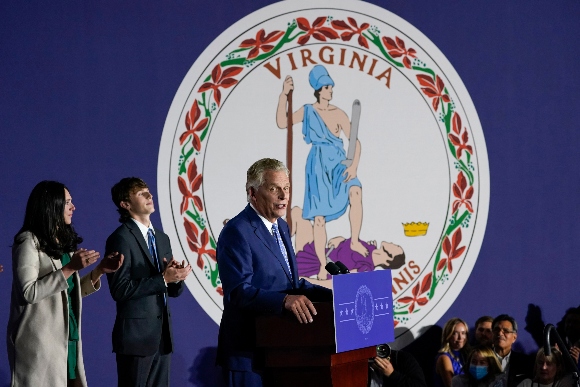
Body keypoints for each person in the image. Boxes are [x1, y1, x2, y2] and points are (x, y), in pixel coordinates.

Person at [216, 158, 333, 386]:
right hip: (247, 353)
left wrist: (336, 297)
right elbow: (238, 291)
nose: (283, 196)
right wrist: (284, 301)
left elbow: (291, 284)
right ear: (253, 193)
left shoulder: (281, 226)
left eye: (286, 188)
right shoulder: (236, 231)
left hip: (281, 350)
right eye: (274, 189)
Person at [7, 180, 123, 386]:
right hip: (40, 347)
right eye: (67, 202)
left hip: (67, 342)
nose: (73, 207)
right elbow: (28, 292)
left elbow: (66, 291)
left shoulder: (63, 244)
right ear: (52, 206)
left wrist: (99, 271)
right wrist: (70, 268)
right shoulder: (28, 242)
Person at [276, 64, 367, 282]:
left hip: (339, 163)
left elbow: (355, 142)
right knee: (319, 219)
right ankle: (324, 265)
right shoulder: (308, 111)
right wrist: (283, 95)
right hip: (317, 166)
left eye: (331, 86)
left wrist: (353, 166)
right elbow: (282, 122)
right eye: (326, 87)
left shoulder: (338, 113)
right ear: (318, 89)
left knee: (355, 191)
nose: (330, 90)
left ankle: (355, 240)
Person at [106, 177, 192, 387]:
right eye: (141, 193)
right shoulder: (121, 238)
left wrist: (176, 279)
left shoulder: (162, 238)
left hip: (162, 337)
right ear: (125, 204)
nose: (149, 195)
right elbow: (119, 289)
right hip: (135, 339)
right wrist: (163, 278)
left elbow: (171, 291)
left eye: (148, 191)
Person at [289, 206, 405, 287]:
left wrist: (304, 281)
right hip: (315, 249)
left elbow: (338, 284)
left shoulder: (366, 268)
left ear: (389, 258)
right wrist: (341, 240)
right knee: (297, 212)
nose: (394, 244)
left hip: (312, 263)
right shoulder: (371, 247)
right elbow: (348, 248)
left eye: (396, 247)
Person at [492, 314, 534, 387]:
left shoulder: (526, 362)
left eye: (506, 331)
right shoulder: (481, 359)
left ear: (514, 337)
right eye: (496, 330)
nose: (500, 333)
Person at [435, 318, 470, 387]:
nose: (460, 337)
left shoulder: (466, 354)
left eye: (463, 333)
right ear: (448, 335)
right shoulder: (444, 358)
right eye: (455, 333)